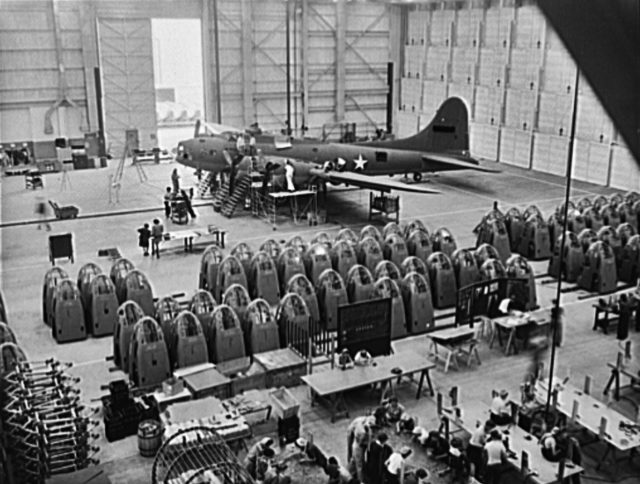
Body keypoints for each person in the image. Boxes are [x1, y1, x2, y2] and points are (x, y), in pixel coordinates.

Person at [347, 415, 375, 482]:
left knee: (354, 460)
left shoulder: (365, 422)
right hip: (358, 446)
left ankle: (350, 472)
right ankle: (361, 480)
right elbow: (360, 442)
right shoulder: (362, 431)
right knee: (359, 465)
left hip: (357, 444)